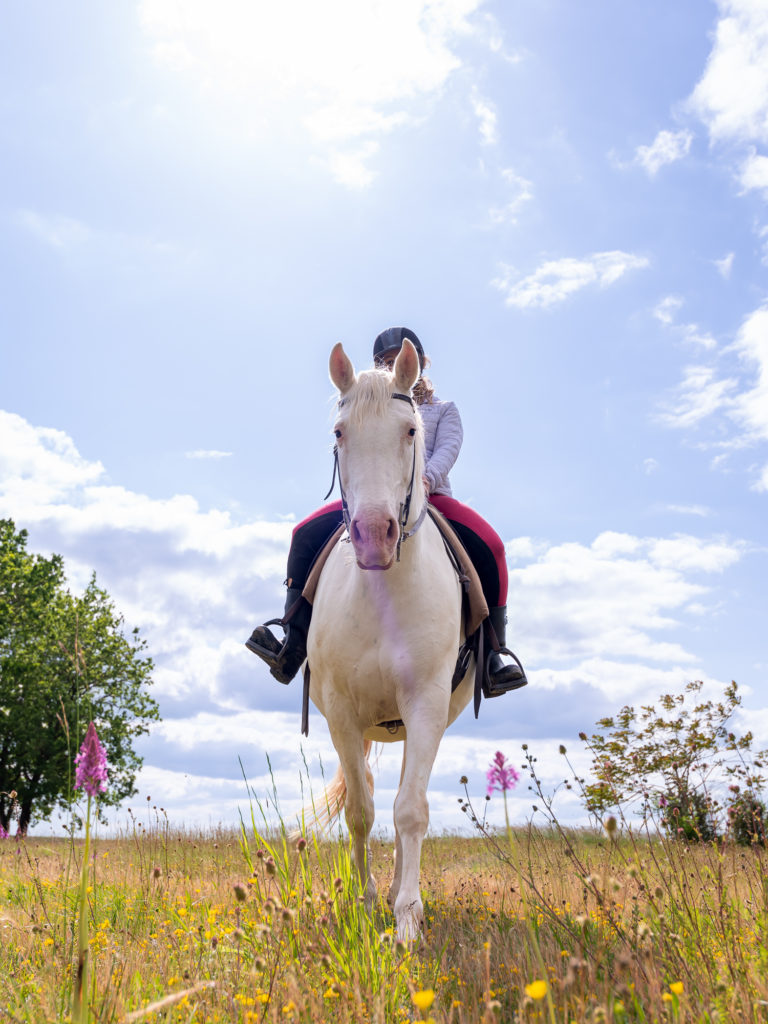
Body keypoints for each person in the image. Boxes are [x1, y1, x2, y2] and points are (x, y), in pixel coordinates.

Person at [246, 327, 527, 697]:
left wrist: (427, 478)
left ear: (418, 364)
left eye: (399, 359)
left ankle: (493, 654)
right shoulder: (367, 402)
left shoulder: (444, 410)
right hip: (372, 499)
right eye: (384, 361)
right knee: (303, 534)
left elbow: (449, 447)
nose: (392, 365)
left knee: (492, 547)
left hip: (430, 495)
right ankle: (292, 638)